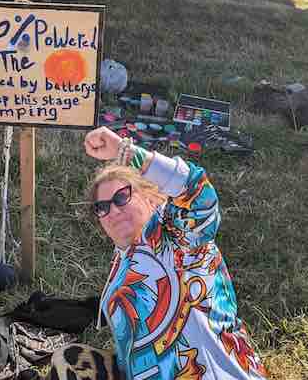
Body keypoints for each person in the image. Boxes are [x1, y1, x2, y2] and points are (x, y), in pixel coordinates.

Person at [50, 127, 268, 380]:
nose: (113, 211)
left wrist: (129, 153)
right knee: (69, 360)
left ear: (152, 198)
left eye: (122, 197)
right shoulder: (125, 260)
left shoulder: (179, 239)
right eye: (102, 206)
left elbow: (197, 192)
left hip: (216, 374)